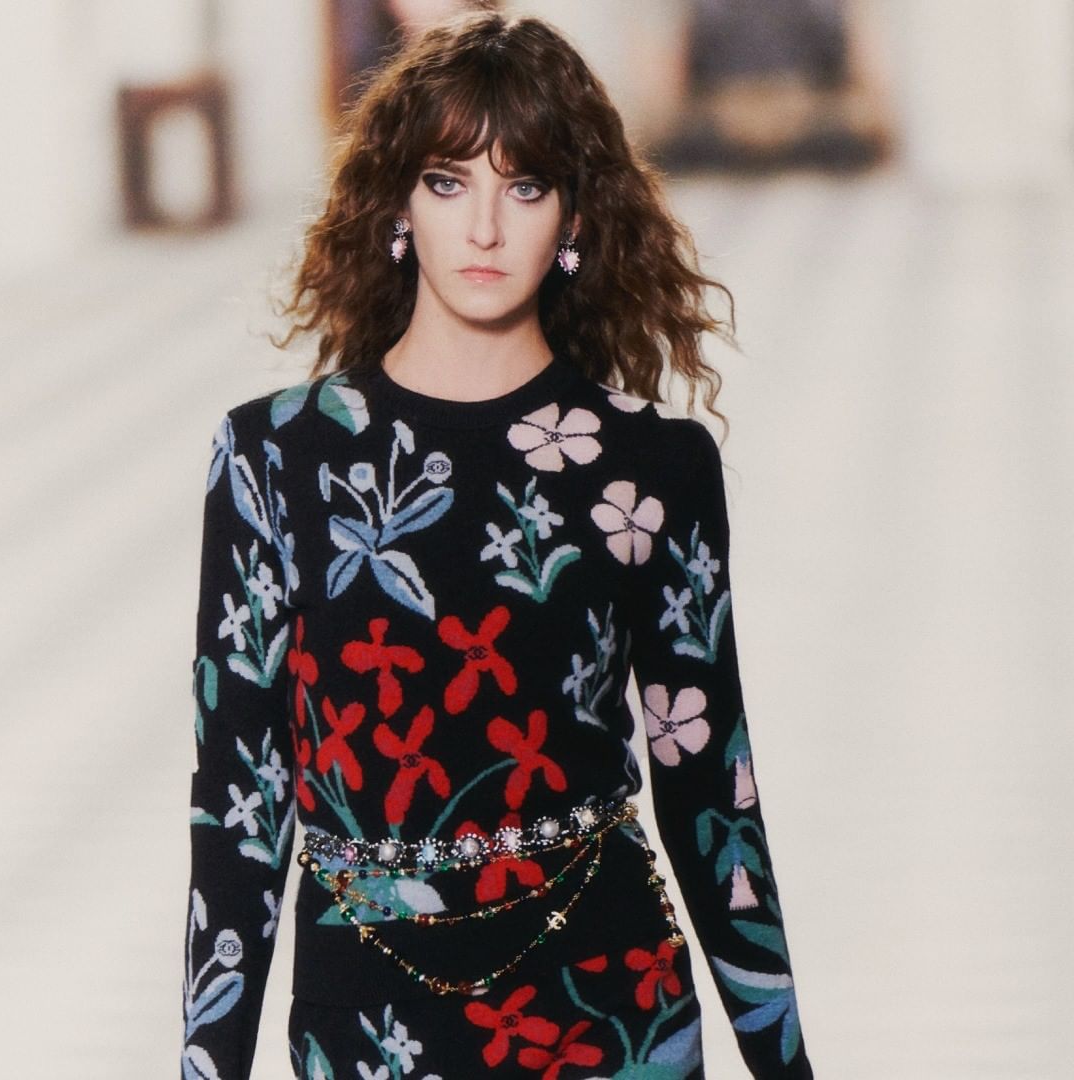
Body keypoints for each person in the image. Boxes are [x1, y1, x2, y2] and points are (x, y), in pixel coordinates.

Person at [180, 8, 815, 1078]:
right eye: (447, 181)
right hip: (368, 1029)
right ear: (398, 205)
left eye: (524, 187)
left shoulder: (652, 466)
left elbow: (712, 788)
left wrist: (784, 1064)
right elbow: (237, 812)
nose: (483, 227)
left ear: (575, 216)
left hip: (614, 1014)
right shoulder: (273, 460)